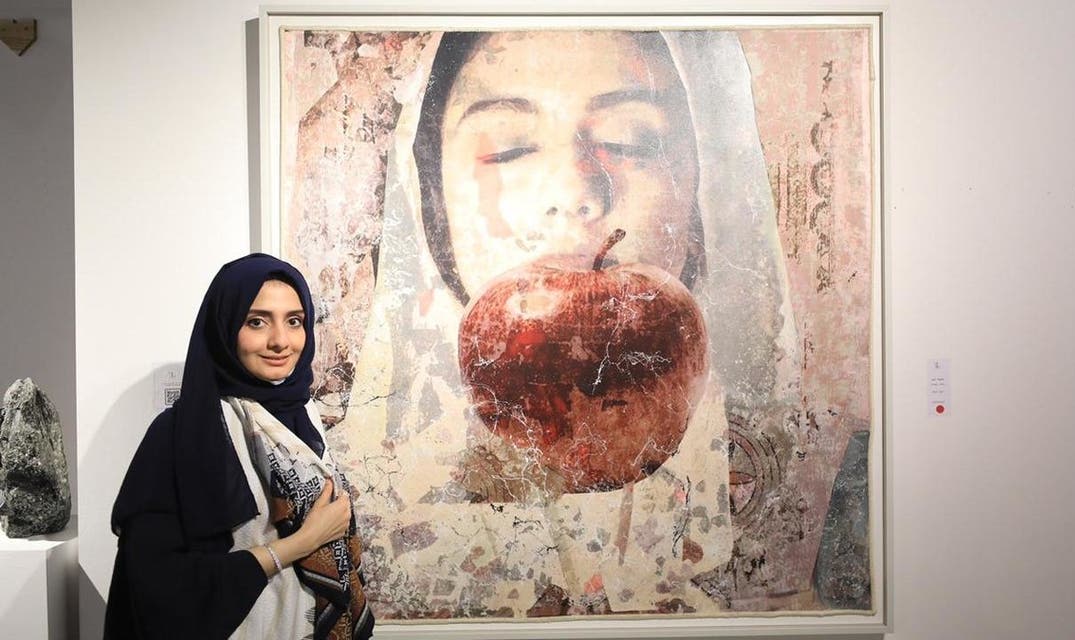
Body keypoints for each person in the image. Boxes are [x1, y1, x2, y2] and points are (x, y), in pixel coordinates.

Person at [331, 28, 815, 617]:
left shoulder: (819, 490)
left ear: (706, 187)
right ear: (429, 195)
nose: (575, 190)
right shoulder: (349, 493)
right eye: (508, 149)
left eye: (631, 141)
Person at [104, 254, 374, 639]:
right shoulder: (180, 433)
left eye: (294, 321)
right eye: (257, 322)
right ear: (225, 327)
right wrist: (302, 543)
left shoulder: (305, 417)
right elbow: (156, 586)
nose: (280, 341)